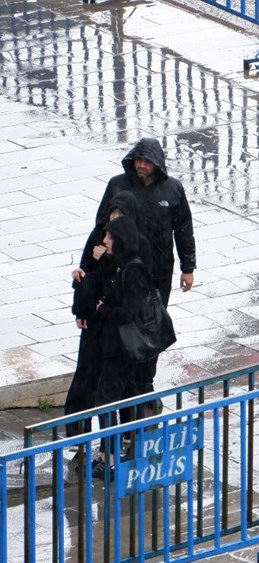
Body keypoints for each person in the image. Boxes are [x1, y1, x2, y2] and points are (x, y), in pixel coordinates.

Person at [94, 137, 195, 410]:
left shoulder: (173, 190)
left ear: (157, 164)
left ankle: (146, 381)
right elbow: (101, 224)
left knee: (153, 324)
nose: (141, 166)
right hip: (125, 271)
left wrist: (188, 267)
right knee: (126, 324)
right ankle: (130, 383)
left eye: (147, 161)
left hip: (159, 273)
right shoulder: (119, 185)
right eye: (138, 160)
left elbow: (183, 228)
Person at [64, 192, 143, 440]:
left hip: (118, 328)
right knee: (87, 375)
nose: (114, 220)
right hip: (99, 321)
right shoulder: (100, 238)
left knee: (121, 386)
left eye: (120, 215)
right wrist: (82, 308)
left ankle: (126, 436)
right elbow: (88, 274)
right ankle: (79, 432)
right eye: (113, 212)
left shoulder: (134, 252)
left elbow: (130, 295)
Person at [79, 216, 152, 478]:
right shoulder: (116, 265)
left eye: (109, 237)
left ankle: (109, 458)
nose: (104, 241)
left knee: (106, 400)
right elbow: (100, 284)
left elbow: (129, 311)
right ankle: (129, 447)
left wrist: (103, 309)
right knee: (126, 395)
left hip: (122, 348)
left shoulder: (132, 269)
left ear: (119, 240)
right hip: (113, 344)